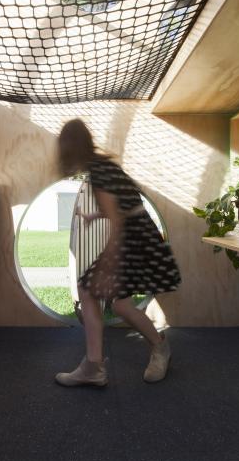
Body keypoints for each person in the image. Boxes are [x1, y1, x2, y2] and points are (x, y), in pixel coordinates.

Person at [54, 119, 181, 386]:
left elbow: (119, 221)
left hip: (132, 237)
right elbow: (125, 206)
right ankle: (158, 348)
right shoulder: (103, 166)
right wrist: (94, 215)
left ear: (70, 147)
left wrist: (107, 267)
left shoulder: (99, 171)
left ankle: (95, 366)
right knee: (121, 304)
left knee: (88, 291)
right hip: (139, 233)